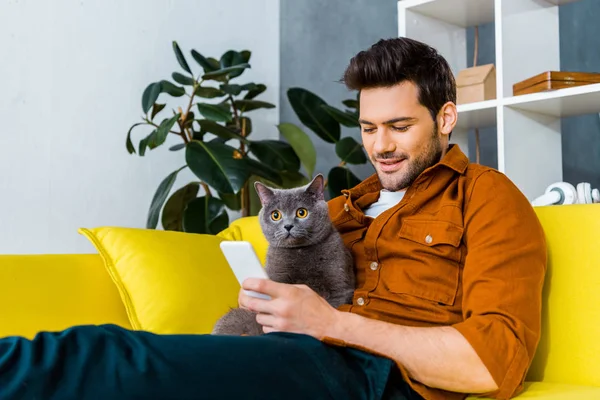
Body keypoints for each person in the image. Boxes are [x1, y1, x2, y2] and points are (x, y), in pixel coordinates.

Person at [0, 37, 546, 400]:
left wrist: (329, 323)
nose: (380, 147)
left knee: (103, 355)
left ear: (446, 117)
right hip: (289, 357)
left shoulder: (486, 197)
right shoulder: (338, 208)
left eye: (399, 126)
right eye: (369, 128)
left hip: (374, 379)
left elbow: (493, 365)